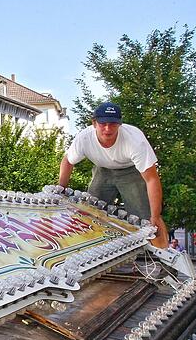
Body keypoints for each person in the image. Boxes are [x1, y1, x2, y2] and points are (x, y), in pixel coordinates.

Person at [58, 102, 168, 247]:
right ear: (94, 123)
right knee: (90, 212)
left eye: (113, 124)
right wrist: (61, 190)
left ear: (120, 124)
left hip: (131, 171)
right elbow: (68, 161)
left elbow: (152, 179)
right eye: (103, 124)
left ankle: (164, 259)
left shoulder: (135, 140)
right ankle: (92, 254)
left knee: (147, 220)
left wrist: (154, 215)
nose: (107, 129)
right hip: (102, 170)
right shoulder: (84, 138)